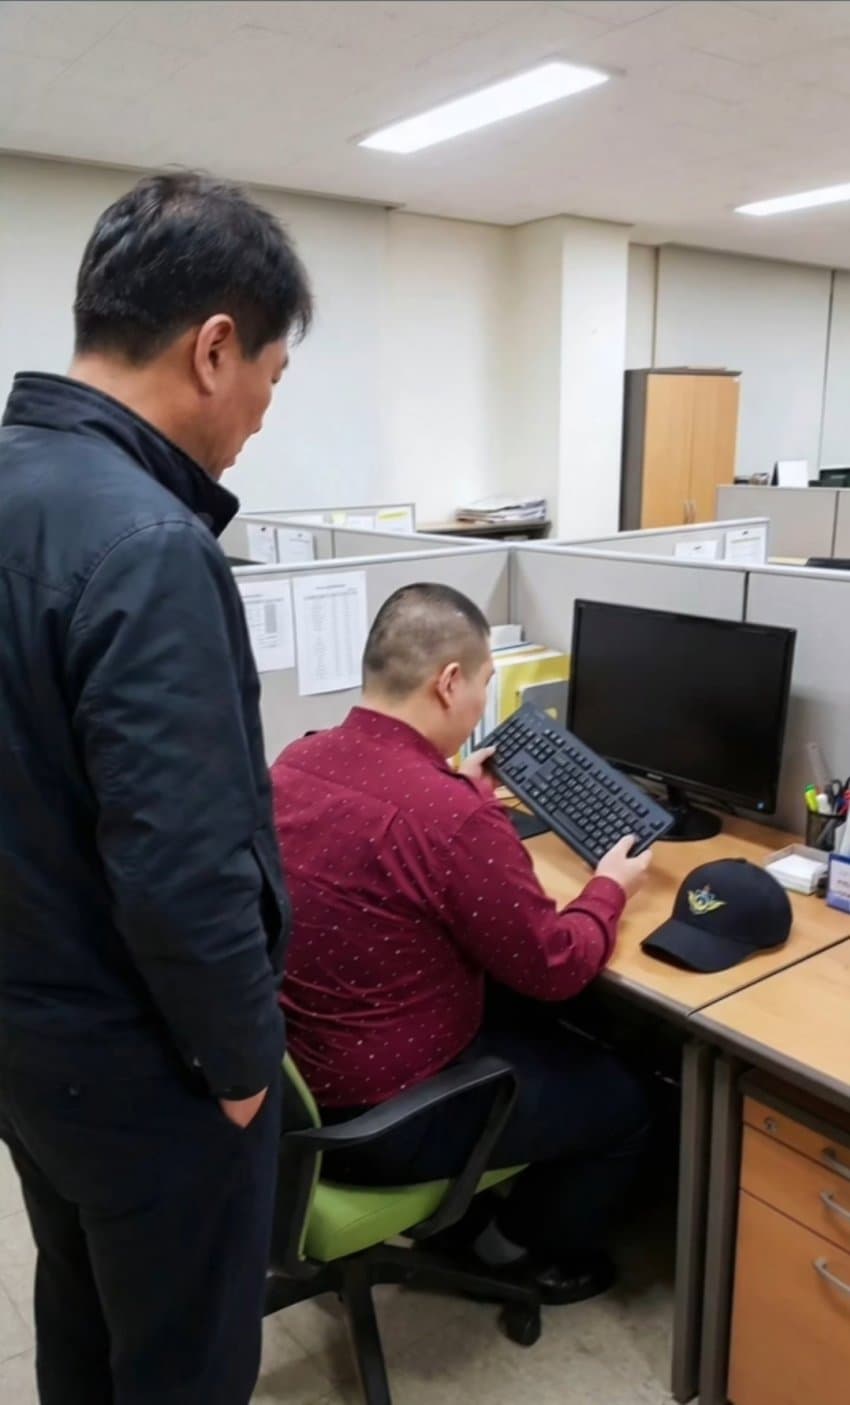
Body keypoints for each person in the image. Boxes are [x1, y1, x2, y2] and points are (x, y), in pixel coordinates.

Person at [0, 172, 312, 1405]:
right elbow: (183, 866)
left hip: (33, 1038)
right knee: (182, 1361)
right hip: (149, 1066)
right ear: (214, 347)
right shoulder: (149, 543)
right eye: (270, 381)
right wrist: (241, 1070)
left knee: (81, 1303)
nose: (260, 419)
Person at [272, 582, 652, 1304]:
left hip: (297, 1092)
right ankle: (523, 1253)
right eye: (484, 685)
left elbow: (398, 847)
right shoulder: (448, 820)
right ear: (449, 682)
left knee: (529, 1019)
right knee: (623, 1099)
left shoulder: (298, 761)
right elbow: (557, 966)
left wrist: (458, 792)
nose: (482, 706)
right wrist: (610, 887)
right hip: (381, 1120)